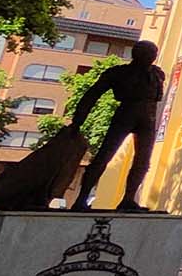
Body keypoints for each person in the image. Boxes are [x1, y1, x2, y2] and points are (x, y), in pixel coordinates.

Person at [69, 40, 166, 213]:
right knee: (104, 155)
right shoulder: (118, 73)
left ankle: (128, 199)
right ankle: (81, 198)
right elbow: (93, 94)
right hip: (125, 114)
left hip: (148, 119)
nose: (152, 57)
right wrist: (78, 120)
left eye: (153, 53)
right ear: (136, 54)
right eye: (148, 53)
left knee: (143, 161)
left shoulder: (158, 74)